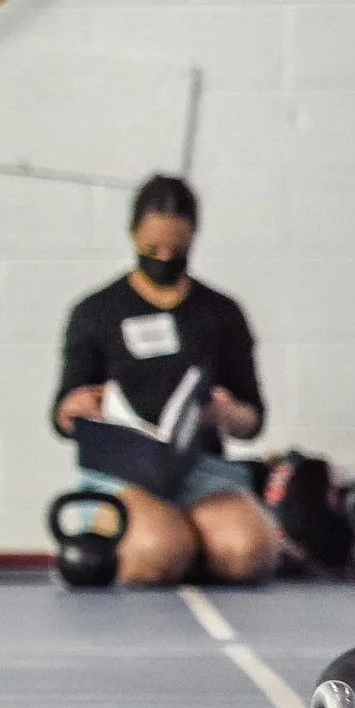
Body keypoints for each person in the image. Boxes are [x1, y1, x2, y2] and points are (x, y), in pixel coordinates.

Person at [53, 175, 278, 585]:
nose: (165, 257)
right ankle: (174, 541)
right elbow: (64, 413)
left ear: (192, 238)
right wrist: (75, 407)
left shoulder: (221, 313)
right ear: (133, 234)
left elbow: (253, 417)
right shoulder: (96, 312)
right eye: (153, 248)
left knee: (249, 552)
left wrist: (227, 414)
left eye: (177, 249)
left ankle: (199, 540)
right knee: (158, 552)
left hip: (200, 467)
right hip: (125, 473)